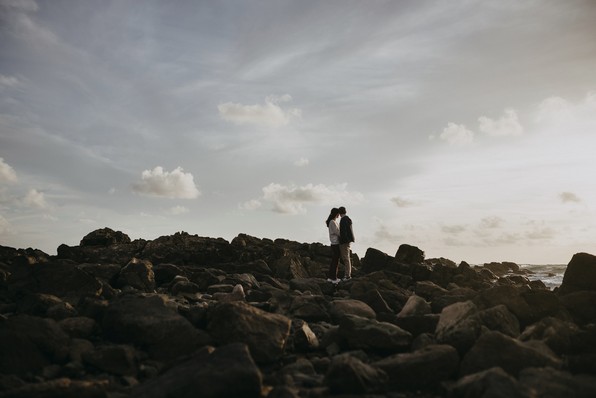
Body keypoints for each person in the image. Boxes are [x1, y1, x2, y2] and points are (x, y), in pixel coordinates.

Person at [338, 206, 355, 280]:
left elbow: (343, 232)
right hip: (348, 240)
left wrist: (341, 240)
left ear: (339, 213)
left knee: (345, 258)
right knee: (347, 258)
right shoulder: (349, 219)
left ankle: (347, 275)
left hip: (344, 241)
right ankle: (348, 274)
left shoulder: (343, 220)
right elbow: (351, 230)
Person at [325, 207, 341, 283]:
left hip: (335, 243)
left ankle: (332, 277)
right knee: (335, 261)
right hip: (335, 244)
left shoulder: (333, 221)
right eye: (338, 213)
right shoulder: (332, 222)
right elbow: (338, 232)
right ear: (336, 214)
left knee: (335, 261)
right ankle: (333, 278)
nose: (339, 215)